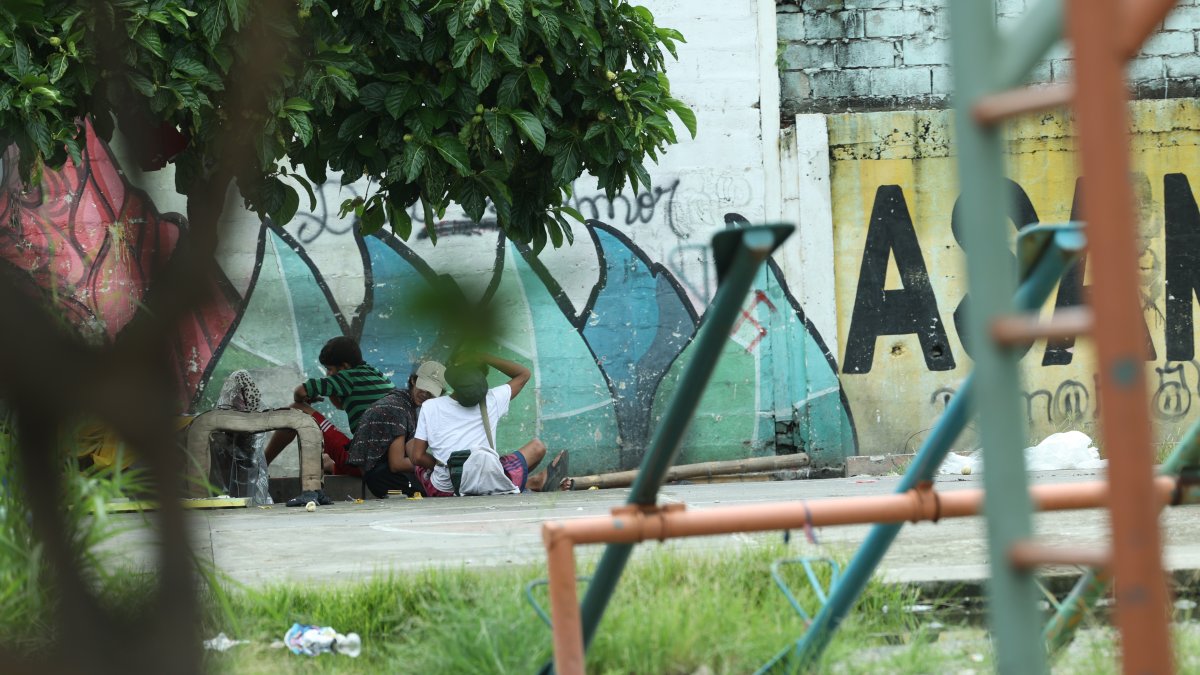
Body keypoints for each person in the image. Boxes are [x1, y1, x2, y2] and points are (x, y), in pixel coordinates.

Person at [262, 336, 446, 497]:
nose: (328, 375)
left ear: (345, 367)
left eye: (330, 369)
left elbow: (300, 392)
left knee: (295, 409)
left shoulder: (347, 378)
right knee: (342, 452)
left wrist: (310, 396)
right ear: (413, 381)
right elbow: (343, 405)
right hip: (372, 453)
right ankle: (328, 463)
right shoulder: (377, 376)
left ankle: (263, 464)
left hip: (362, 458)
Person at [406, 354, 568, 496]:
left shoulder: (430, 406)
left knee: (415, 451)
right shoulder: (492, 399)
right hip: (486, 479)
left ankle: (530, 482)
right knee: (537, 447)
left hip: (447, 490)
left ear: (453, 379)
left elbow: (417, 457)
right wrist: (485, 357)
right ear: (482, 379)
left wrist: (447, 466)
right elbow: (524, 374)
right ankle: (530, 482)